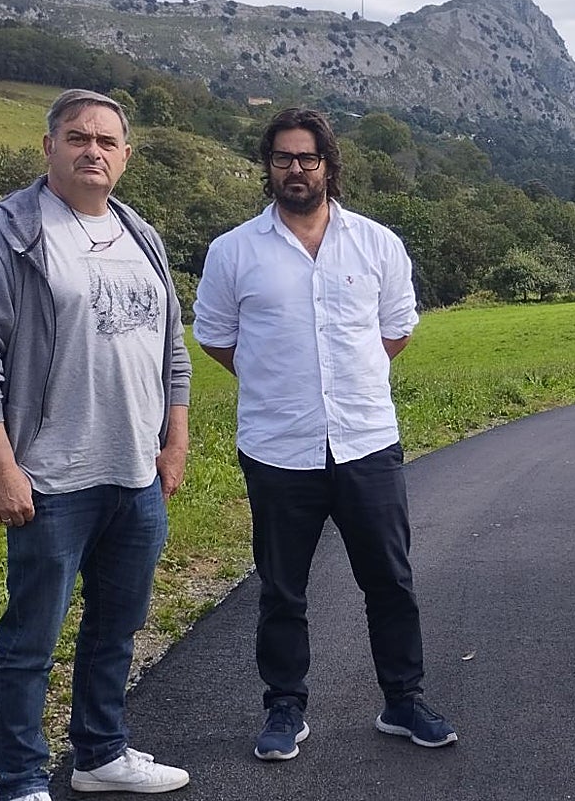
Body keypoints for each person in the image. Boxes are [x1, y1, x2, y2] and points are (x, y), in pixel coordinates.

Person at [0, 89, 192, 801]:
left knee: (117, 627)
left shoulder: (142, 236)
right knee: (30, 644)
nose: (93, 152)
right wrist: (0, 468)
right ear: (47, 147)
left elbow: (172, 347)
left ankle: (100, 754)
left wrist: (175, 441)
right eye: (78, 138)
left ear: (126, 157)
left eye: (107, 142)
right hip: (49, 480)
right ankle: (19, 780)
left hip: (134, 476)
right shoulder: (11, 235)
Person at [192, 107, 457, 761]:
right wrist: (283, 383)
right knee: (282, 589)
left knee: (390, 581)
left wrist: (346, 383)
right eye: (283, 158)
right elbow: (218, 339)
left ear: (329, 166)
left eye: (308, 158)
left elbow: (395, 329)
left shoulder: (376, 244)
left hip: (366, 443)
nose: (296, 169)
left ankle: (403, 700)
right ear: (268, 167)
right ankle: (285, 707)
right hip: (279, 450)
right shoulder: (233, 252)